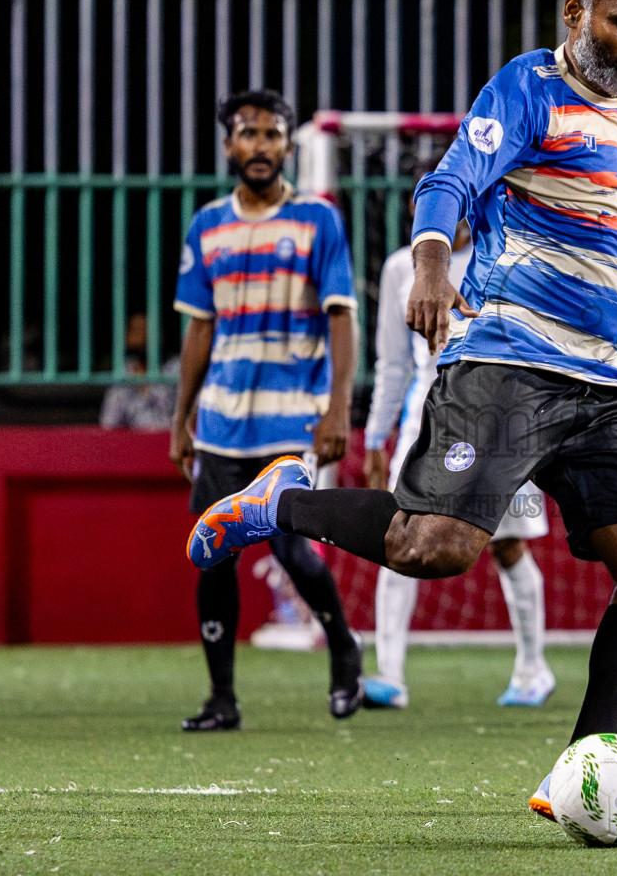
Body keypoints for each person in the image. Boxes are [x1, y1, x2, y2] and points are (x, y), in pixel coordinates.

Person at [183, 0, 617, 844]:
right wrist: (432, 262)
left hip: (600, 383)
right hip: (507, 358)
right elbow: (451, 181)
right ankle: (285, 504)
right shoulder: (527, 88)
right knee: (433, 548)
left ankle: (583, 772)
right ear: (575, 14)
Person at [170, 89, 365, 731]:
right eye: (248, 134)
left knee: (290, 549)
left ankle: (342, 649)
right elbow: (199, 330)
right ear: (228, 145)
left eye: (273, 134)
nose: (260, 146)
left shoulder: (318, 219)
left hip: (290, 419)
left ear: (288, 145)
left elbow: (341, 317)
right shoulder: (207, 226)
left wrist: (338, 409)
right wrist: (182, 418)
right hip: (223, 421)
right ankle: (221, 697)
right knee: (213, 553)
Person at [362, 220, 555, 709]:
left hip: (497, 417)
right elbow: (392, 362)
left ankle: (533, 669)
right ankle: (389, 674)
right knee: (398, 535)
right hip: (426, 416)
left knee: (507, 544)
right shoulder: (398, 269)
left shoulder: (506, 257)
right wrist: (373, 434)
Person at [99, 313, 178, 431]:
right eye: (133, 330)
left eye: (143, 329)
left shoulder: (174, 369)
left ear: (159, 334)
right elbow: (109, 422)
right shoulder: (123, 373)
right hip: (136, 442)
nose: (137, 335)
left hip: (168, 438)